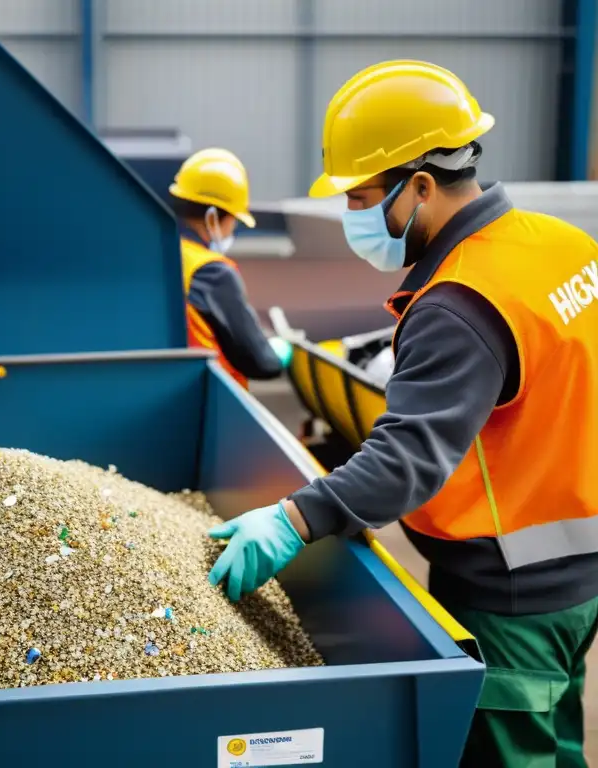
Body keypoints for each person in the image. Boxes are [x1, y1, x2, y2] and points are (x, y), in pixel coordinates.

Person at [207, 60, 598, 767]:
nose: (354, 214)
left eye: (361, 196)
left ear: (420, 185)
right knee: (556, 735)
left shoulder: (458, 304)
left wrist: (293, 519)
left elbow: (407, 457)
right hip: (579, 576)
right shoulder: (562, 246)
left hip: (510, 596)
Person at [168, 148, 292, 386]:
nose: (232, 229)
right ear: (213, 217)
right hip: (210, 406)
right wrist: (281, 351)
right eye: (234, 219)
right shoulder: (212, 272)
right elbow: (262, 363)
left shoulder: (161, 253)